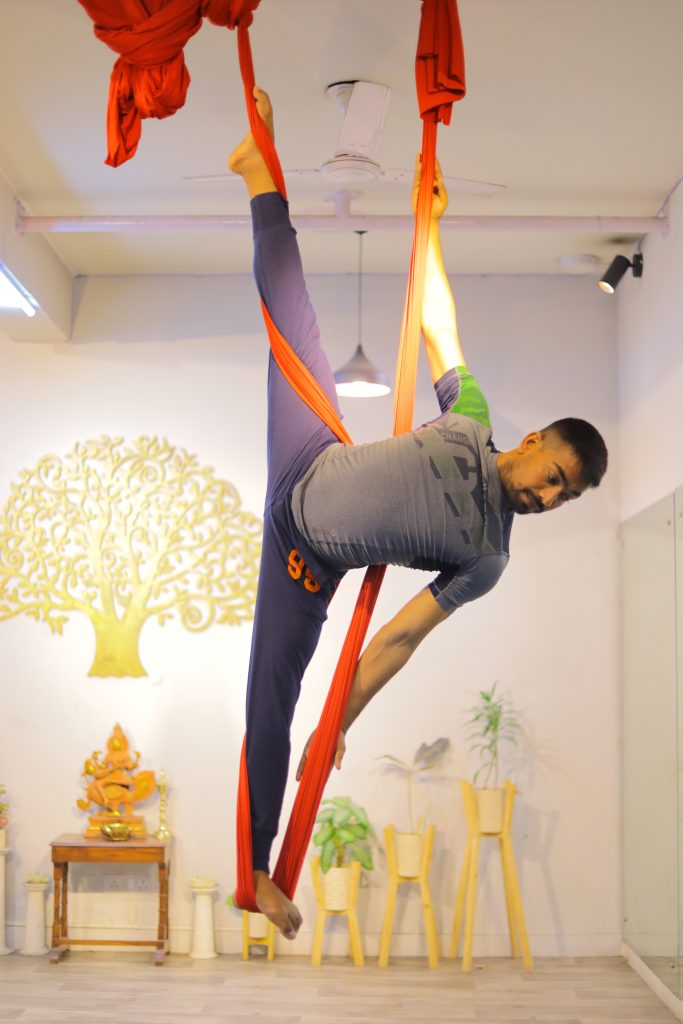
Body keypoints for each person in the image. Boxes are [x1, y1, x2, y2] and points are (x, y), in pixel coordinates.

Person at [228, 87, 608, 940]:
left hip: (306, 558)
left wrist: (340, 725)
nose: (548, 498)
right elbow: (438, 320)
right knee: (294, 323)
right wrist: (429, 224)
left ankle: (257, 874)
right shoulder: (469, 412)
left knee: (274, 705)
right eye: (553, 476)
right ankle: (261, 178)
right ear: (534, 438)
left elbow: (394, 639)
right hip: (310, 456)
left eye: (564, 498)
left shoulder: (487, 556)